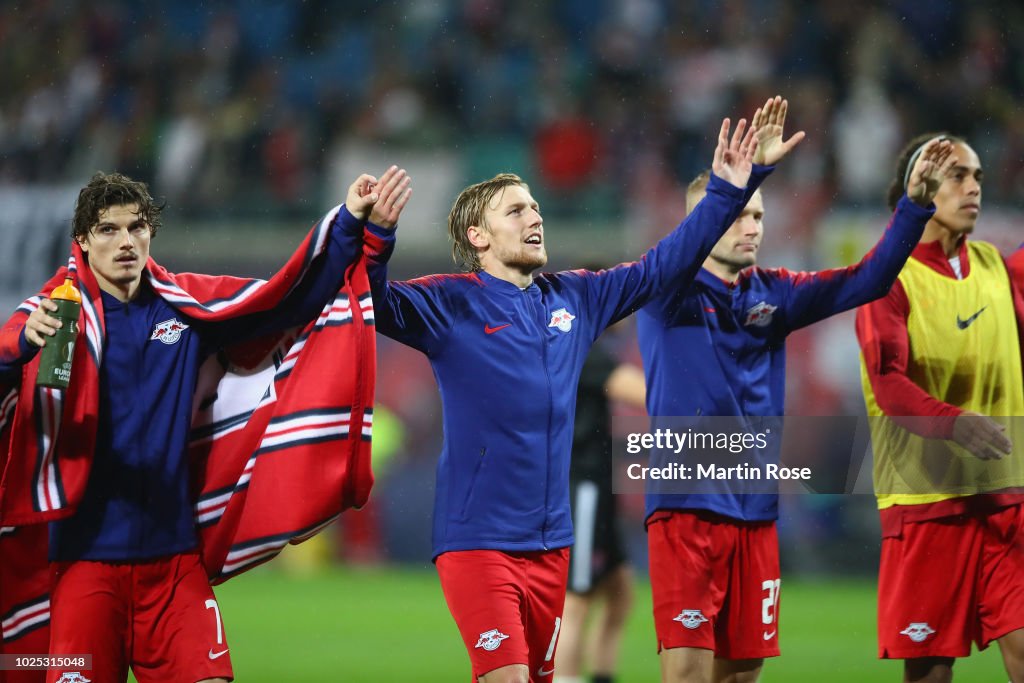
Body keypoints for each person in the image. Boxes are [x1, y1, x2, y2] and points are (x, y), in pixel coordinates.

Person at [361, 100, 780, 683]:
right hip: (478, 543)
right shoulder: (450, 302)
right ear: (478, 236)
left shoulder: (575, 299)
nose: (534, 216)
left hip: (553, 544)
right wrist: (377, 236)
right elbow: (372, 301)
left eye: (535, 206)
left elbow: (664, 265)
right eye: (515, 210)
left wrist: (730, 192)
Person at [0, 167, 410, 683]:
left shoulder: (186, 306)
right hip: (85, 566)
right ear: (82, 240)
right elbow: (6, 358)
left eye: (137, 227)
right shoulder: (55, 314)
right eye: (108, 229)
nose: (126, 241)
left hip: (173, 565)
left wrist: (352, 223)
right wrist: (19, 346)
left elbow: (288, 300)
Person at [635, 108, 956, 682]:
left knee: (740, 673)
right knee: (687, 673)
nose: (753, 225)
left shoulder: (774, 295)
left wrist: (913, 208)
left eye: (758, 215)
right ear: (701, 226)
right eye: (738, 216)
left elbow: (868, 279)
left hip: (756, 513)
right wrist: (748, 175)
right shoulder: (666, 294)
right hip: (686, 513)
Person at [855, 134, 1024, 682]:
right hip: (928, 503)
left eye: (977, 175)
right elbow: (889, 387)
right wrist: (954, 423)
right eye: (957, 176)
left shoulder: (999, 269)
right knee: (929, 672)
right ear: (919, 187)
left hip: (1005, 499)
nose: (973, 187)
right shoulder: (885, 279)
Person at [554, 322, 646, 683]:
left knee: (620, 591)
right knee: (577, 598)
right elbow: (645, 392)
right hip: (583, 487)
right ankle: (564, 677)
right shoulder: (584, 351)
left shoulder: (587, 352)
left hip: (597, 487)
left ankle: (601, 676)